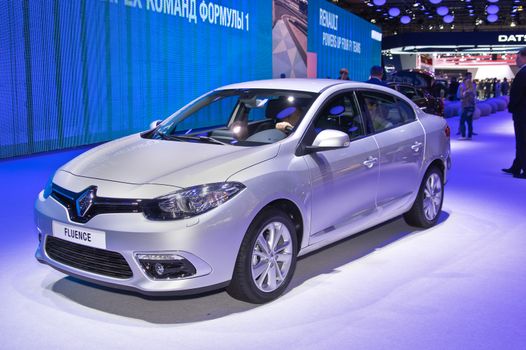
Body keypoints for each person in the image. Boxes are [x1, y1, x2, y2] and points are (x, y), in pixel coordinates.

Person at [503, 48, 526, 179]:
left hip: (522, 113)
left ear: (524, 57)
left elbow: (517, 94)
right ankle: (517, 166)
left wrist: (511, 106)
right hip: (522, 112)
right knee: (521, 140)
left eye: (517, 58)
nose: (515, 60)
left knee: (522, 140)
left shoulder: (523, 73)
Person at [458, 73, 476, 140]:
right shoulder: (471, 91)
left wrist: (462, 93)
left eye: (466, 83)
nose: (465, 84)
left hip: (467, 108)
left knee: (462, 121)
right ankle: (469, 136)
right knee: (469, 122)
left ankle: (463, 135)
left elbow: (462, 97)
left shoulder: (468, 92)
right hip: (469, 108)